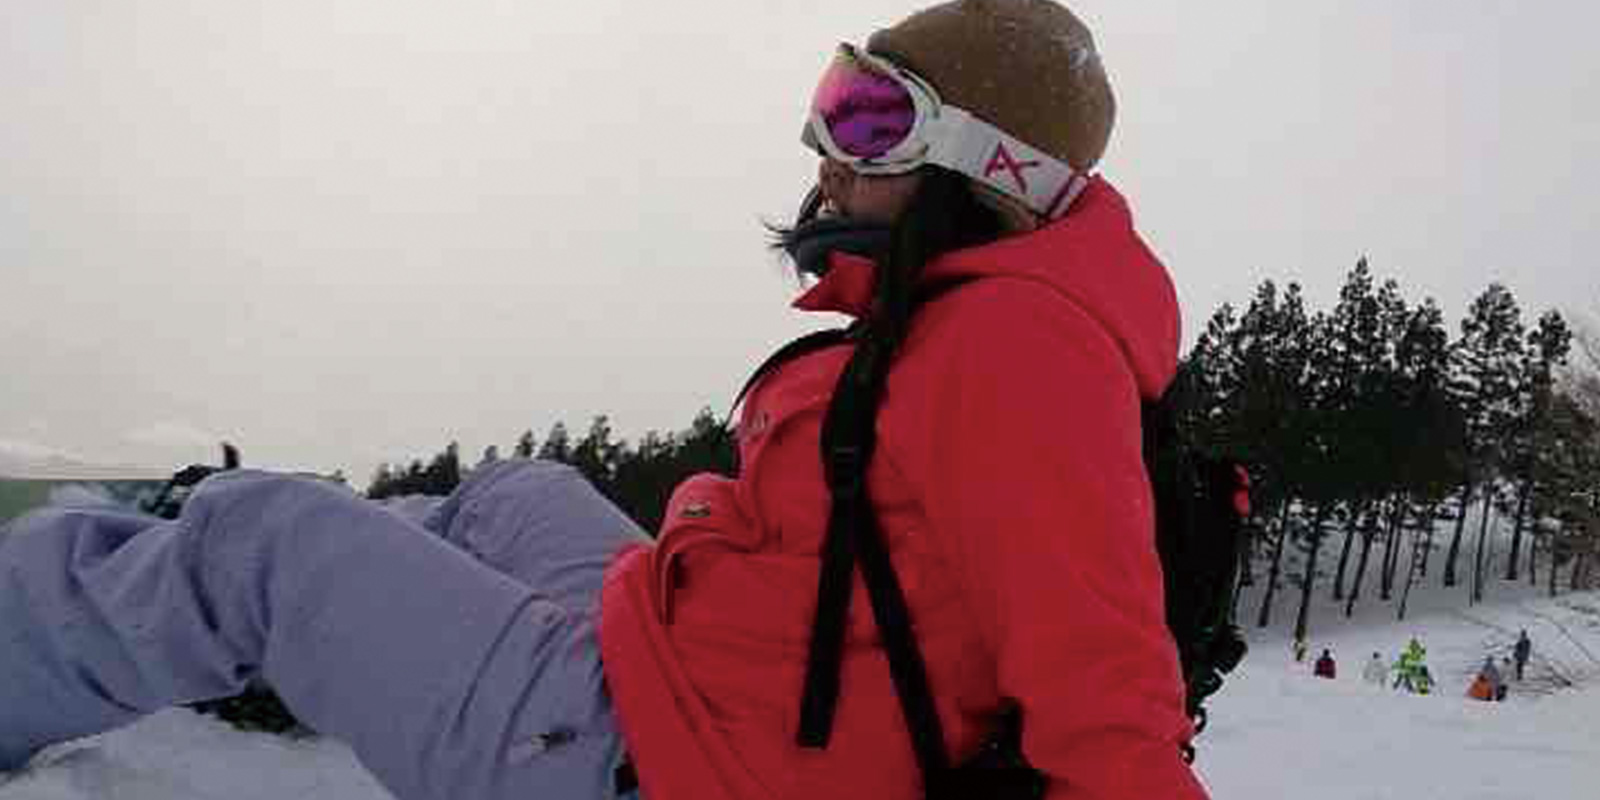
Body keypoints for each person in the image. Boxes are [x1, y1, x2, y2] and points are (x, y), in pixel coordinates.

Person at [1, 2, 1205, 799]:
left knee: (262, 541)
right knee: (518, 493)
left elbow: (1104, 681)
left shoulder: (1017, 346)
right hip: (677, 671)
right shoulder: (967, 316)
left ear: (985, 169)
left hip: (662, 761)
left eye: (872, 119)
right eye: (836, 97)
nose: (824, 147)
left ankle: (193, 592)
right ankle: (263, 615)